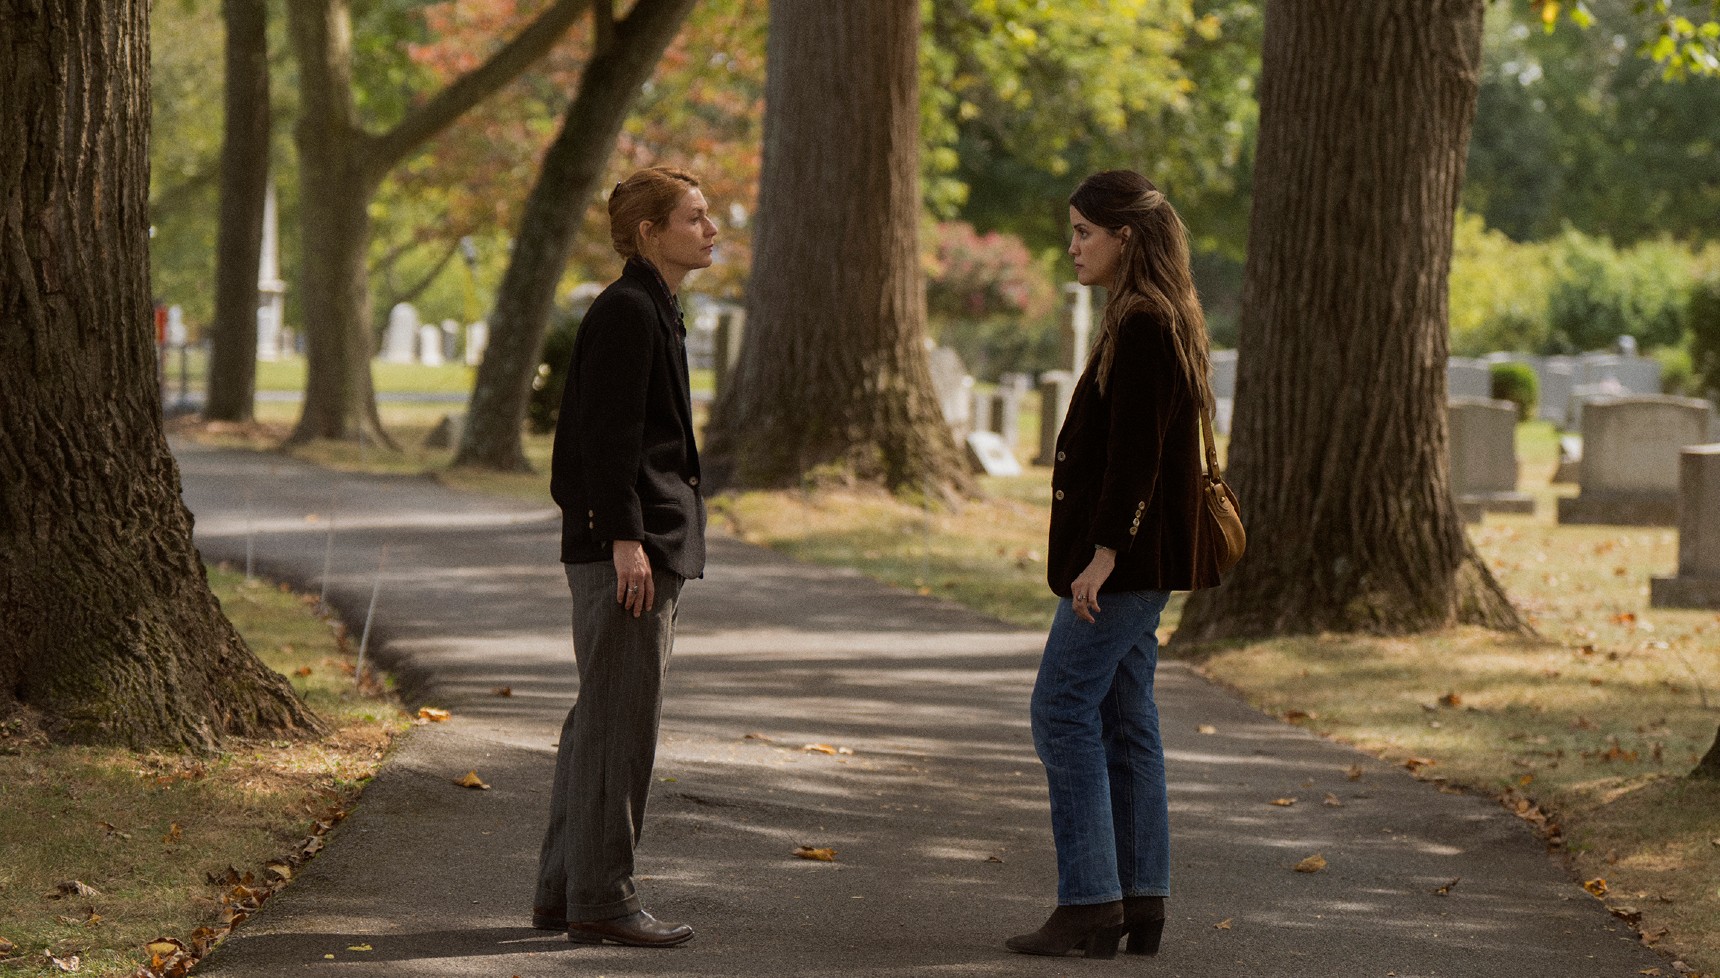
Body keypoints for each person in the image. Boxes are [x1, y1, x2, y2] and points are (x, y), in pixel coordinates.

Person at [1006, 169, 1222, 959]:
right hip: (1140, 558)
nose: (1071, 249)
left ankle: (1091, 900)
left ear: (1125, 238)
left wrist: (1103, 555)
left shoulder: (1143, 325)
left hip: (1126, 563)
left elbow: (1137, 458)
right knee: (1126, 721)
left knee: (1060, 710)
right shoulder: (1153, 318)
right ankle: (1140, 898)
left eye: (1083, 233)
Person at [532, 166, 717, 948]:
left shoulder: (651, 307)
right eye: (695, 218)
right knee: (619, 726)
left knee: (599, 722)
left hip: (636, 538)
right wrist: (625, 540)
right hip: (627, 547)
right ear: (649, 232)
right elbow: (605, 439)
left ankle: (564, 893)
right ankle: (603, 898)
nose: (711, 231)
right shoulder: (629, 312)